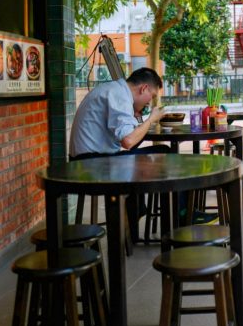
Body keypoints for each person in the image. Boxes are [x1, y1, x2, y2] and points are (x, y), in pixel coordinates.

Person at [69, 67, 170, 241]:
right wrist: (151, 119)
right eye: (151, 96)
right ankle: (178, 220)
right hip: (90, 164)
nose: (150, 102)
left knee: (151, 155)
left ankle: (134, 218)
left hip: (90, 161)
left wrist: (139, 120)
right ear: (143, 88)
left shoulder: (115, 91)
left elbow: (128, 144)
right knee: (165, 155)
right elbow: (128, 141)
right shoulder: (120, 96)